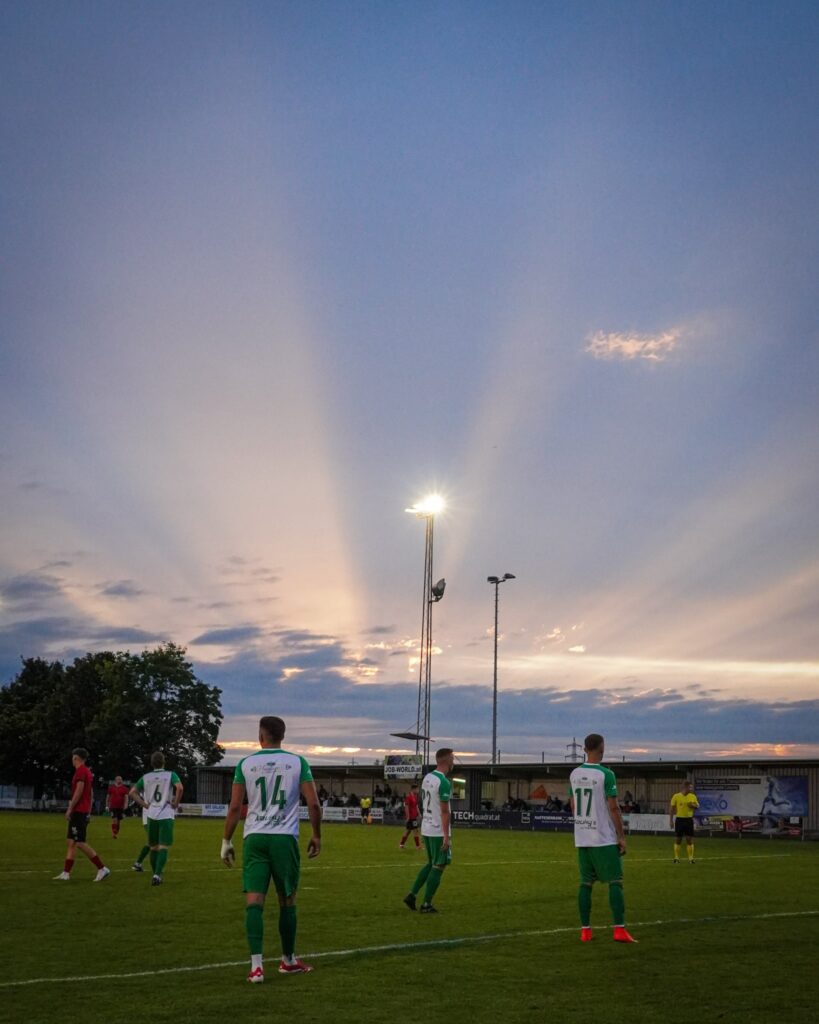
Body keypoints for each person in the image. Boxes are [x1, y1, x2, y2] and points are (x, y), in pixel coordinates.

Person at [221, 715, 321, 982]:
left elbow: (235, 807)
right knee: (287, 900)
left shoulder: (245, 764)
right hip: (284, 838)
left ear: (260, 737)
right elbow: (313, 804)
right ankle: (287, 960)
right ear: (283, 737)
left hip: (254, 838)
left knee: (254, 902)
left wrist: (226, 841)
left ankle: (256, 967)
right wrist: (316, 835)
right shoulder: (298, 762)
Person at [569, 734, 635, 943]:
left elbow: (573, 805)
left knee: (585, 884)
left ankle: (585, 931)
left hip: (582, 837)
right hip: (603, 838)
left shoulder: (574, 773)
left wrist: (583, 824)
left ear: (584, 749)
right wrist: (621, 836)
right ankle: (619, 929)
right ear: (602, 749)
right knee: (615, 881)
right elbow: (613, 808)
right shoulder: (606, 774)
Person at [403, 747, 454, 914]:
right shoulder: (444, 782)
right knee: (439, 865)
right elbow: (444, 811)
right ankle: (426, 904)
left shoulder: (427, 778)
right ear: (446, 760)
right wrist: (446, 837)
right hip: (438, 829)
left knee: (431, 863)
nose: (453, 761)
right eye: (452, 758)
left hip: (427, 827)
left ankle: (412, 895)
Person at [53, 748, 110, 882]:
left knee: (80, 842)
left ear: (76, 758)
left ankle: (102, 868)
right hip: (82, 811)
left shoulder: (81, 771)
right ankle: (66, 873)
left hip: (79, 811)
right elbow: (90, 793)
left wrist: (70, 808)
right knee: (71, 842)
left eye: (73, 758)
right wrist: (88, 811)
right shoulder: (87, 772)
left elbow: (79, 791)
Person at [129, 751, 183, 886]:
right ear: (164, 762)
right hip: (165, 814)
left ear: (152, 763)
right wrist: (175, 803)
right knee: (163, 846)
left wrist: (144, 804)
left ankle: (155, 874)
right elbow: (180, 788)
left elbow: (132, 792)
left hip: (151, 814)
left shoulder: (146, 777)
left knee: (153, 847)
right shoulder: (171, 774)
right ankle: (157, 875)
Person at [670, 780, 699, 863]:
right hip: (679, 820)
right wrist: (671, 820)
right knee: (678, 839)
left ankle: (691, 859)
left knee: (689, 839)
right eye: (690, 787)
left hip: (689, 820)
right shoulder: (676, 796)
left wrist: (693, 805)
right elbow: (672, 809)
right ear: (685, 787)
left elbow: (697, 806)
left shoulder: (693, 796)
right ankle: (676, 858)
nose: (691, 789)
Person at [399, 783, 422, 850]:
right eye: (417, 789)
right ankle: (418, 846)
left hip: (414, 817)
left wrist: (419, 813)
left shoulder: (415, 796)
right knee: (415, 830)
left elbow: (416, 806)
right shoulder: (408, 797)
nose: (418, 790)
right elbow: (406, 807)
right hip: (411, 818)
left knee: (408, 831)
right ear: (413, 789)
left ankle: (401, 844)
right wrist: (408, 816)